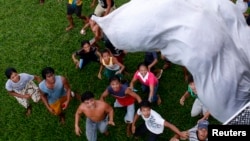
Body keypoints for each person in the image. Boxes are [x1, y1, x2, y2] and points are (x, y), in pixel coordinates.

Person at [91, 0, 250, 124]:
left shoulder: (200, 41)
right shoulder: (221, 9)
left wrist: (108, 26)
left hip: (231, 95)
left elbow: (138, 25)